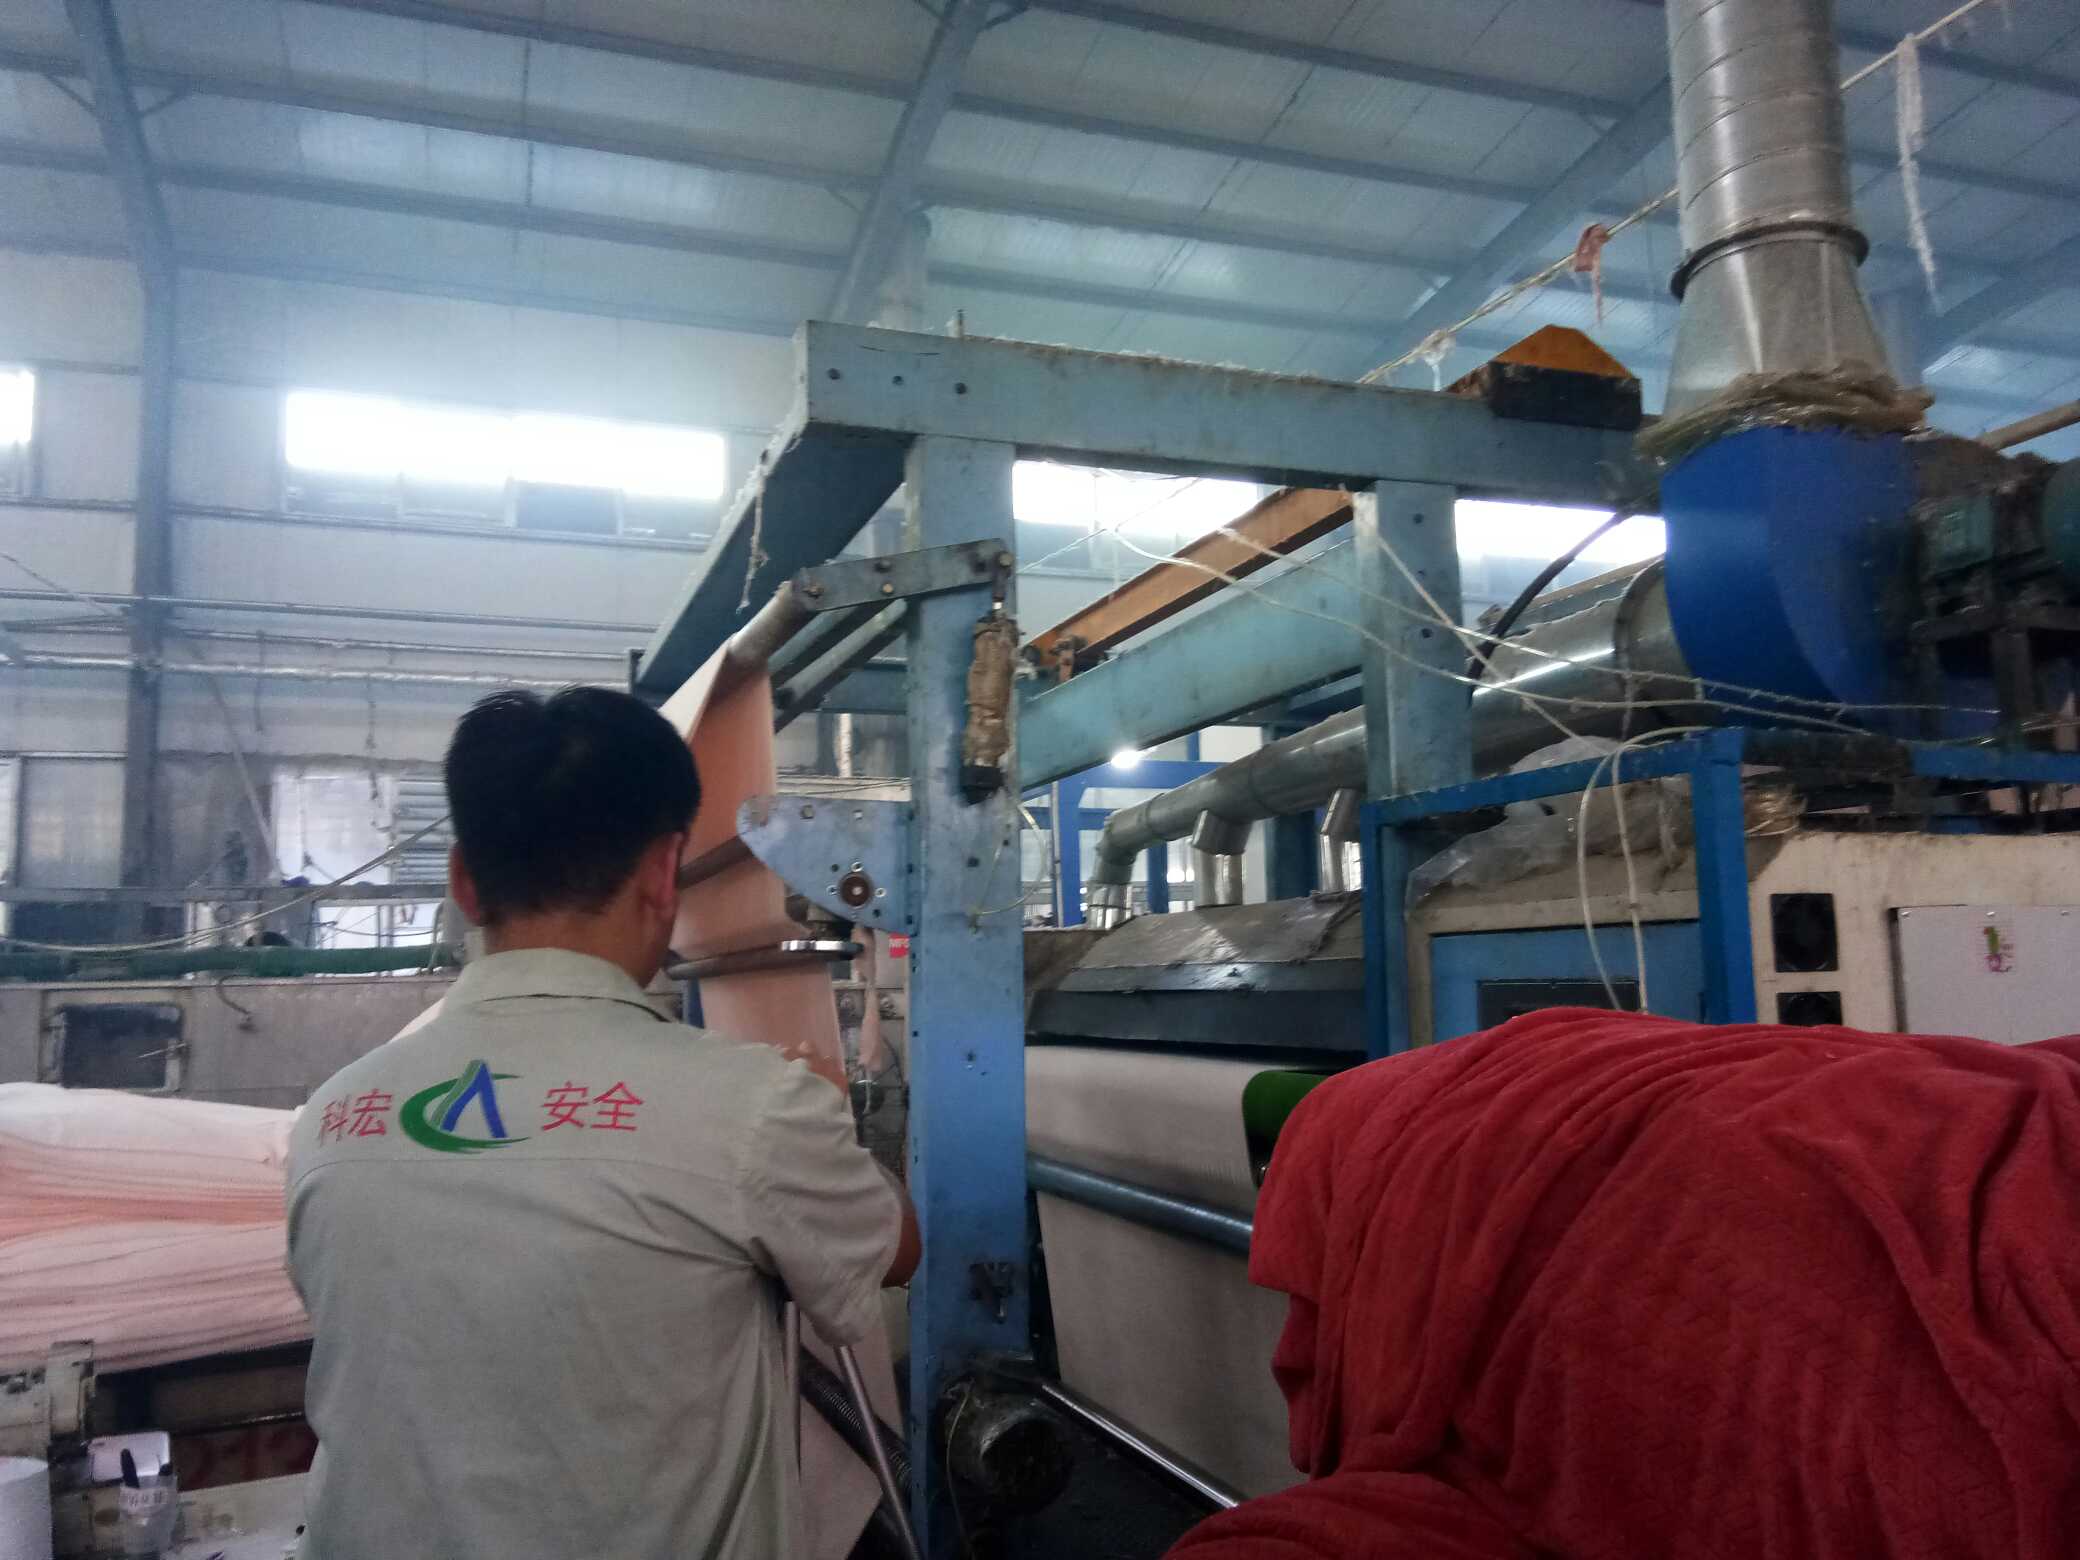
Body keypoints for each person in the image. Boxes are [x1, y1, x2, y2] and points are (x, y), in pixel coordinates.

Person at [286, 688, 919, 1560]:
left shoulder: (330, 1124)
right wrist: (824, 1115)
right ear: (664, 873)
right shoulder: (749, 1108)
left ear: (464, 881)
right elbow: (897, 1251)